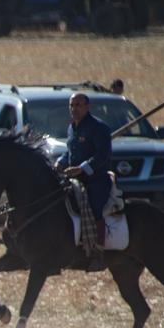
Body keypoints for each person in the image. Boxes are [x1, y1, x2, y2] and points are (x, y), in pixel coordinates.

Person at [56, 91, 111, 272]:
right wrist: (61, 162)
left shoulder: (98, 128)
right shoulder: (72, 128)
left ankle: (98, 253)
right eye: (72, 105)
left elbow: (103, 155)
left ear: (88, 107)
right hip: (74, 180)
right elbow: (69, 152)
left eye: (78, 105)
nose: (74, 109)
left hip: (96, 180)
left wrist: (82, 168)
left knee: (95, 208)